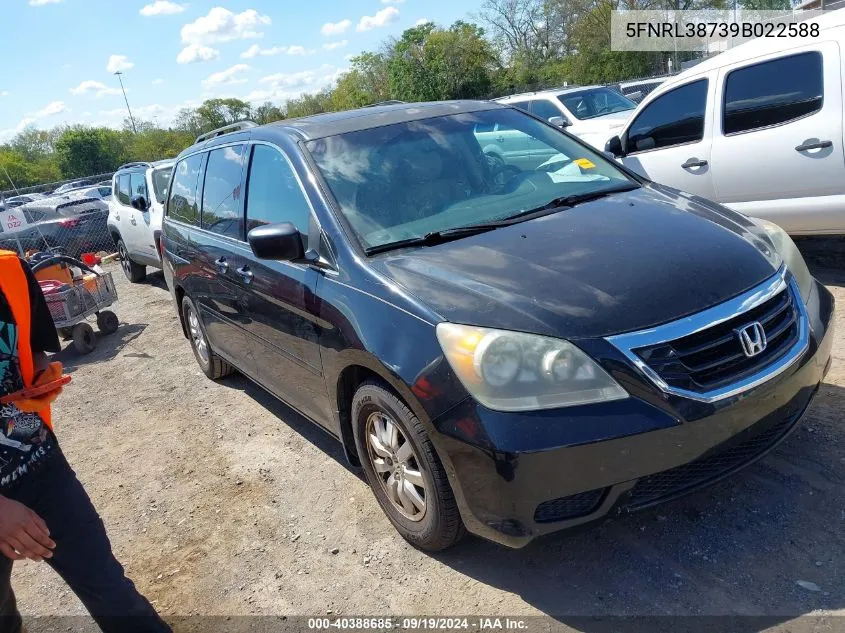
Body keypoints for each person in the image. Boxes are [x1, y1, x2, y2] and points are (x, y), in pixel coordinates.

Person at [0, 250, 171, 633]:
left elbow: (36, 351)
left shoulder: (9, 268)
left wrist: (43, 376)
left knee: (114, 596)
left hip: (40, 465)